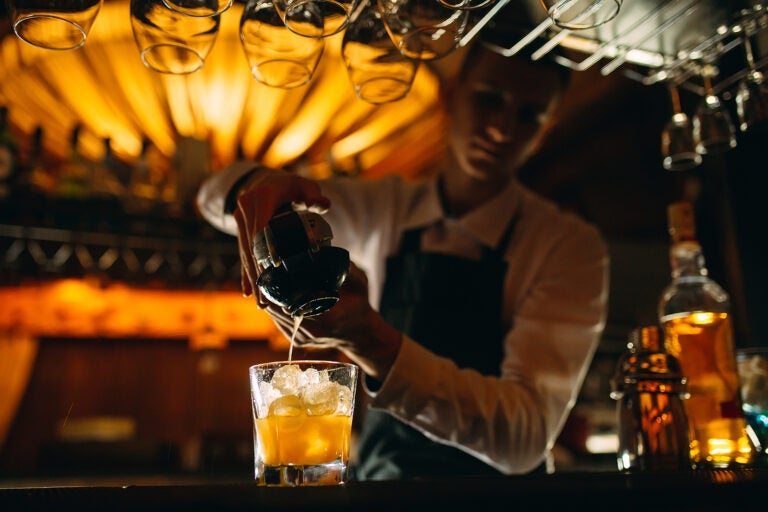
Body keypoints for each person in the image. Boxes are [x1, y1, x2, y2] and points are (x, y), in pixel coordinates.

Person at [196, 38, 610, 480]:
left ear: (545, 130)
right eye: (490, 99)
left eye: (529, 115)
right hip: (377, 488)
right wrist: (258, 186)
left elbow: (524, 438)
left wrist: (370, 340)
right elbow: (211, 194)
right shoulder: (386, 208)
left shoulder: (567, 246)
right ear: (450, 96)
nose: (502, 129)